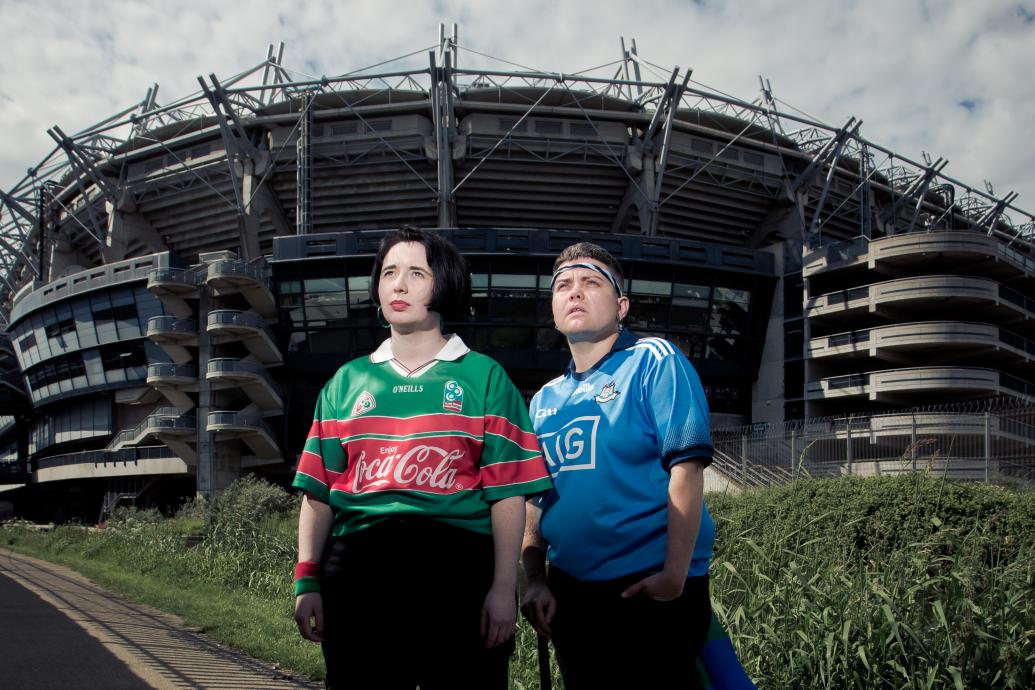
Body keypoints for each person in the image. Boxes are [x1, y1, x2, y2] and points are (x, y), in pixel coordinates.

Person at [292, 226, 553, 690]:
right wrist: (307, 580)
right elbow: (317, 494)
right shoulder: (345, 382)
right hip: (358, 571)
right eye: (389, 272)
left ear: (444, 283)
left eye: (417, 272)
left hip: (456, 571)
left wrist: (500, 588)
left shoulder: (485, 377)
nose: (399, 284)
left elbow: (506, 495)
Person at [521, 241, 716, 690]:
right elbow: (535, 501)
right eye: (563, 285)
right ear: (552, 309)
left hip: (647, 588)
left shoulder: (655, 361)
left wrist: (673, 575)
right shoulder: (545, 400)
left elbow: (686, 471)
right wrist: (535, 579)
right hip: (570, 592)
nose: (575, 292)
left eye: (591, 282)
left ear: (621, 305)